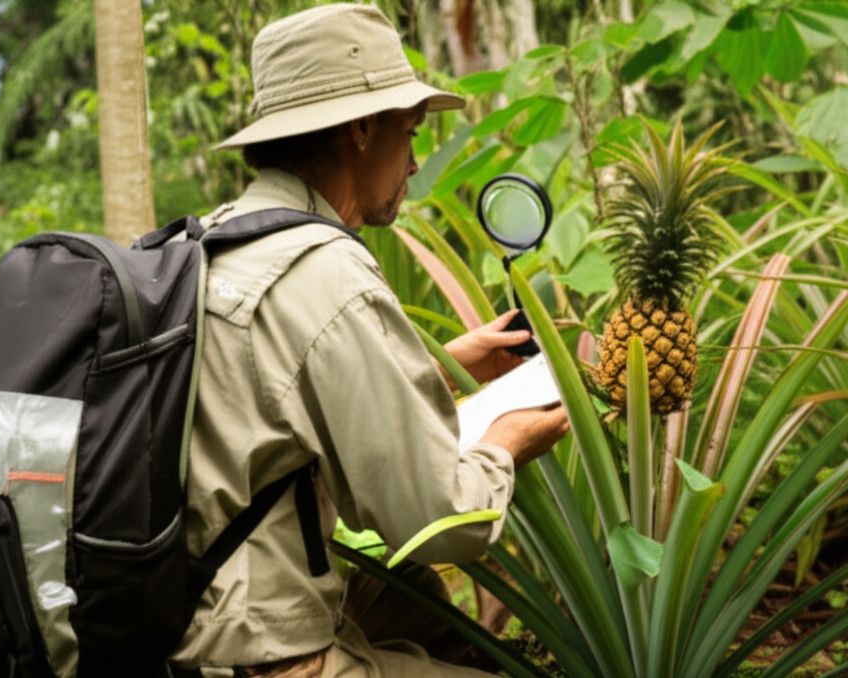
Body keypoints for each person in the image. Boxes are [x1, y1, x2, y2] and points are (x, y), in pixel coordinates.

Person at [169, 4, 569, 677]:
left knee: (421, 610)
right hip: (249, 648)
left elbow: (265, 407)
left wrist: (442, 370)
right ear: (360, 128)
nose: (415, 161)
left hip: (176, 610)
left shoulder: (206, 242)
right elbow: (443, 521)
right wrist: (508, 442)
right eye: (410, 133)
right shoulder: (326, 271)